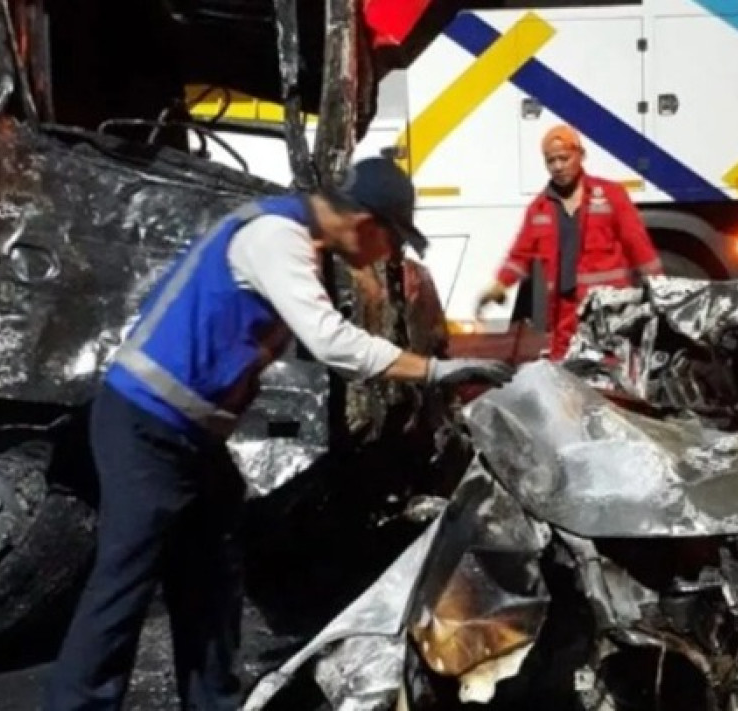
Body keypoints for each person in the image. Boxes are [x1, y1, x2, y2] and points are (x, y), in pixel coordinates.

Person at [42, 157, 514, 711]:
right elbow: (333, 344)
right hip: (148, 424)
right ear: (366, 222)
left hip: (188, 435)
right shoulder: (276, 237)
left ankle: (212, 701)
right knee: (125, 580)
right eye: (394, 240)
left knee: (211, 574)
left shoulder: (295, 238)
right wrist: (434, 371)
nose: (390, 255)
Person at [475, 124, 663, 359]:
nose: (558, 167)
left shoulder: (611, 195)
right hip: (564, 314)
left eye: (564, 158)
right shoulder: (539, 209)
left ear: (580, 155)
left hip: (608, 312)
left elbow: (639, 247)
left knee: (609, 375)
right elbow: (520, 255)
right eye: (550, 161)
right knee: (566, 376)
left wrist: (660, 290)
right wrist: (499, 285)